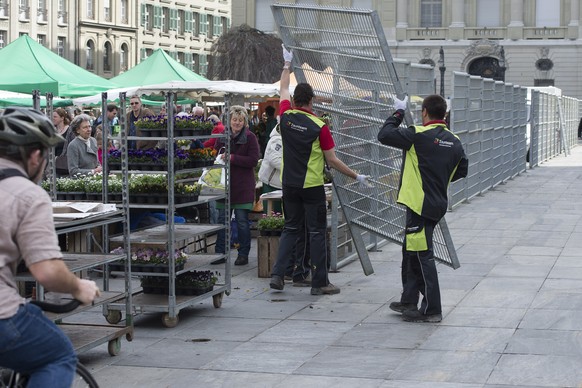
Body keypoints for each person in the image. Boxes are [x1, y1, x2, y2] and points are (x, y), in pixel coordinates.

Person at [0, 107, 100, 387]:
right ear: (35, 156)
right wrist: (79, 287)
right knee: (57, 356)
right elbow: (47, 272)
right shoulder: (27, 194)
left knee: (30, 314)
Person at [269, 45, 371, 295]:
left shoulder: (285, 116)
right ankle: (319, 283)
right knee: (316, 232)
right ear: (312, 101)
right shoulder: (319, 126)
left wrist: (286, 64)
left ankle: (278, 275)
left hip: (289, 185)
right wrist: (356, 175)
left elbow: (282, 87)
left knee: (291, 229)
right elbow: (333, 160)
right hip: (312, 186)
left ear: (294, 100)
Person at [378, 94, 468, 323]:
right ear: (444, 114)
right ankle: (408, 300)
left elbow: (384, 135)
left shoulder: (418, 135)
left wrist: (398, 112)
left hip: (418, 204)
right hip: (437, 203)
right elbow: (462, 170)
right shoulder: (455, 141)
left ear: (424, 112)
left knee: (421, 255)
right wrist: (438, 178)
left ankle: (432, 309)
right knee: (410, 250)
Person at [210, 105, 260, 266]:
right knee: (222, 220)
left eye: (240, 120)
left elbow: (253, 160)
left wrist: (233, 158)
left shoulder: (250, 137)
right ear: (229, 121)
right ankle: (220, 253)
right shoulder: (223, 136)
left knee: (242, 221)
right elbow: (215, 152)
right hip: (224, 186)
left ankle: (243, 254)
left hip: (242, 186)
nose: (237, 123)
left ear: (245, 121)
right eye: (234, 120)